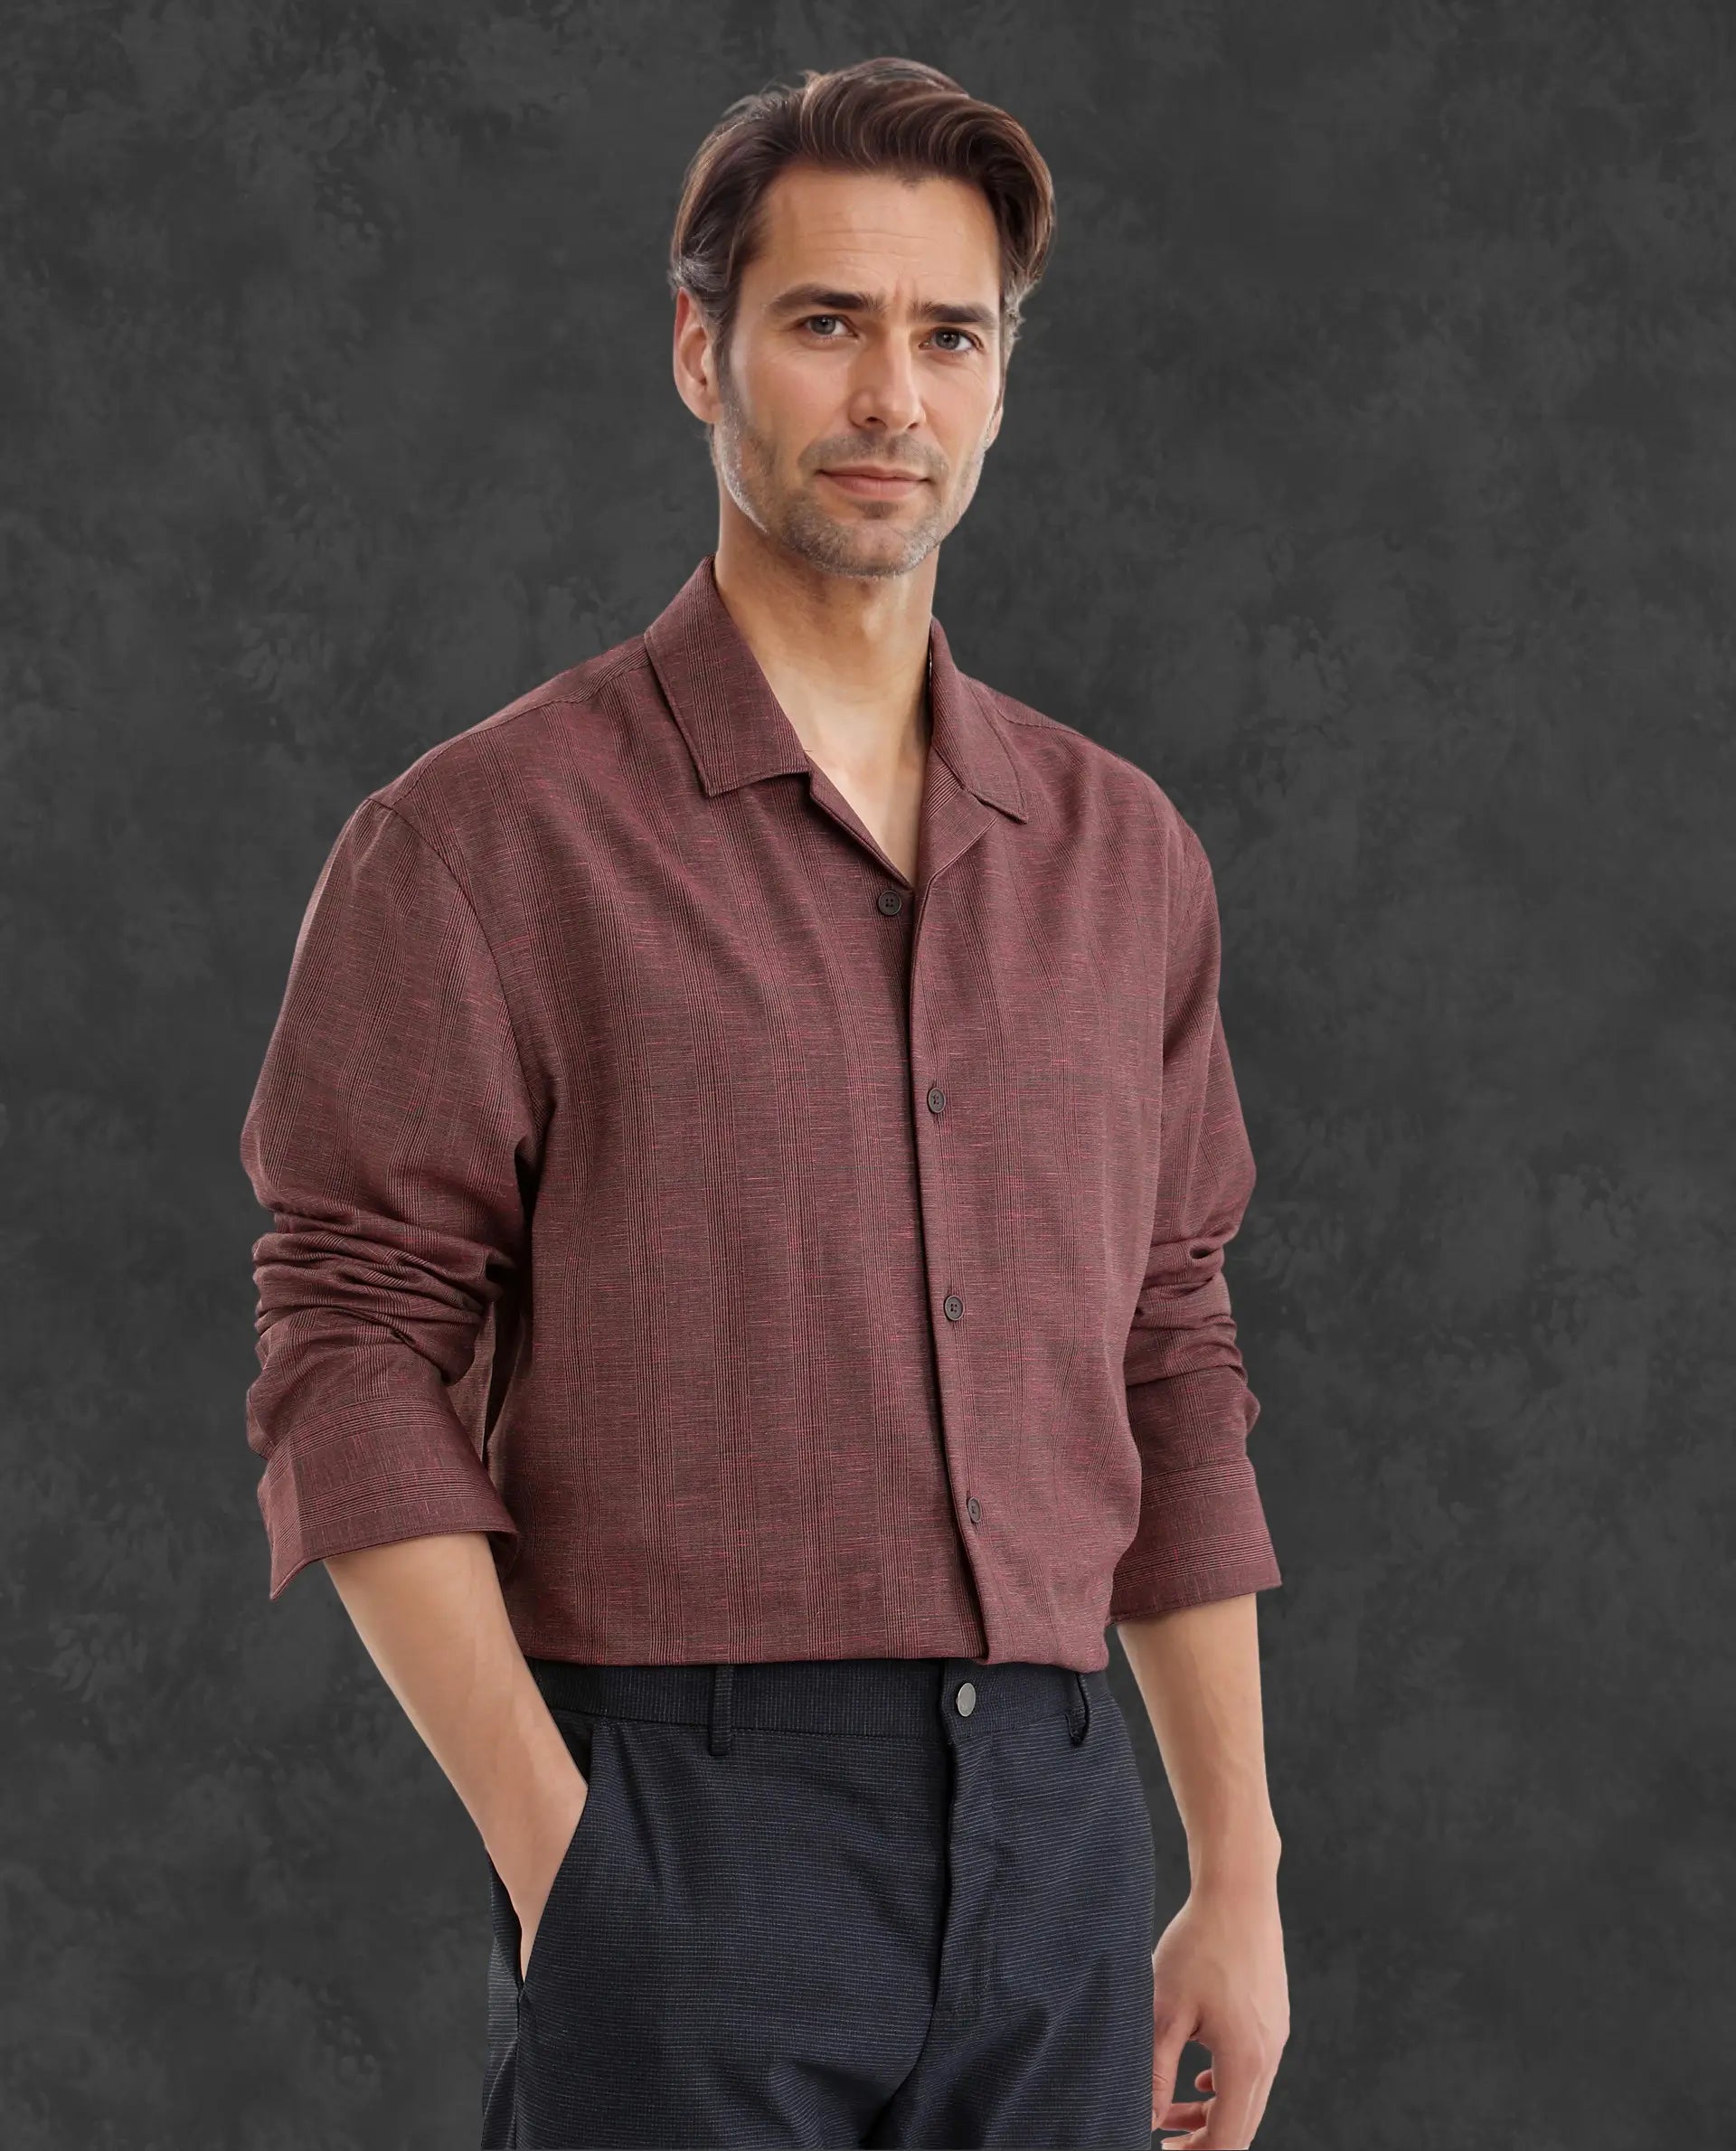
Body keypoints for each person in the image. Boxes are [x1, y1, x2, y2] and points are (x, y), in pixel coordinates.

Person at [238, 53, 1288, 2151]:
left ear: (1002, 380)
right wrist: (562, 1849)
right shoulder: (486, 840)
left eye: (949, 335)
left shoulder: (1124, 856)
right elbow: (350, 1344)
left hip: (1062, 1841)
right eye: (828, 322)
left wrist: (1239, 1868)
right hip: (681, 1816)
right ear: (702, 350)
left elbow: (1170, 1350)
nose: (893, 395)